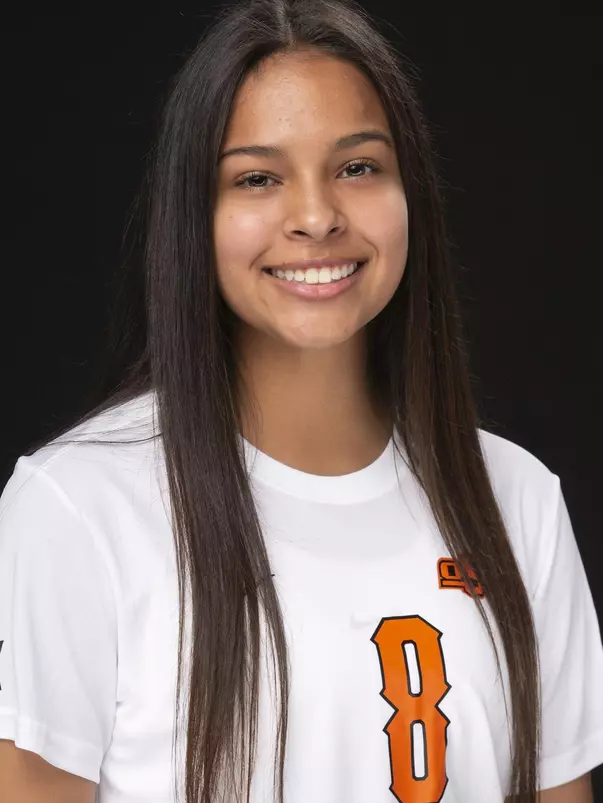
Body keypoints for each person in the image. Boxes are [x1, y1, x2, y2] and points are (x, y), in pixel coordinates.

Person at [0, 0, 602, 801]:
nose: (316, 217)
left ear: (408, 188)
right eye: (257, 177)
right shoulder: (77, 509)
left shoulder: (515, 498)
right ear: (195, 214)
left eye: (357, 167)